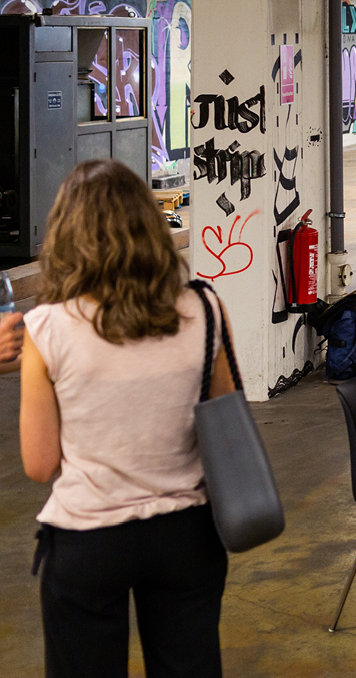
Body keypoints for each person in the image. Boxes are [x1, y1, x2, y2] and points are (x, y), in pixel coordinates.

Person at [21, 159, 237, 676]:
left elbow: (40, 463)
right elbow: (227, 426)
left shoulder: (46, 327)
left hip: (89, 540)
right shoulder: (204, 309)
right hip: (186, 534)